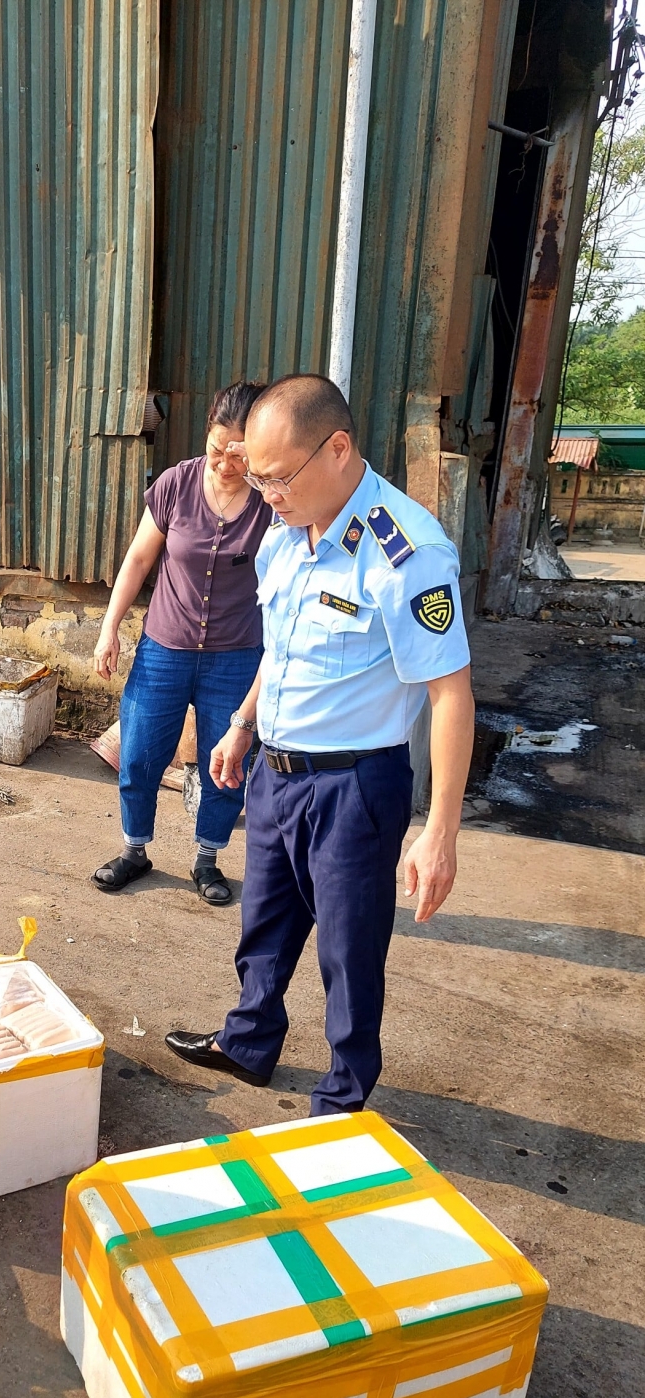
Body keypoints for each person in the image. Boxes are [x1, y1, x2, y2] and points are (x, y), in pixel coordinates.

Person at [166, 373, 474, 1114]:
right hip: (276, 772)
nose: (265, 494)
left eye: (278, 477)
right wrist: (243, 725)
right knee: (264, 925)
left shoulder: (406, 554)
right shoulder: (284, 534)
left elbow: (451, 695)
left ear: (338, 448)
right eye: (256, 477)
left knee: (348, 950)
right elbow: (284, 649)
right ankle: (249, 1040)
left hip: (354, 787)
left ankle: (341, 1100)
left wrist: (441, 831)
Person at [92, 381, 273, 905]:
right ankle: (134, 850)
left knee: (227, 764)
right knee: (140, 753)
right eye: (217, 450)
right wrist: (109, 628)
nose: (224, 464)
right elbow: (139, 559)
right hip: (163, 651)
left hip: (236, 657)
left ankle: (207, 858)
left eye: (238, 455)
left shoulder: (271, 501)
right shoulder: (176, 483)